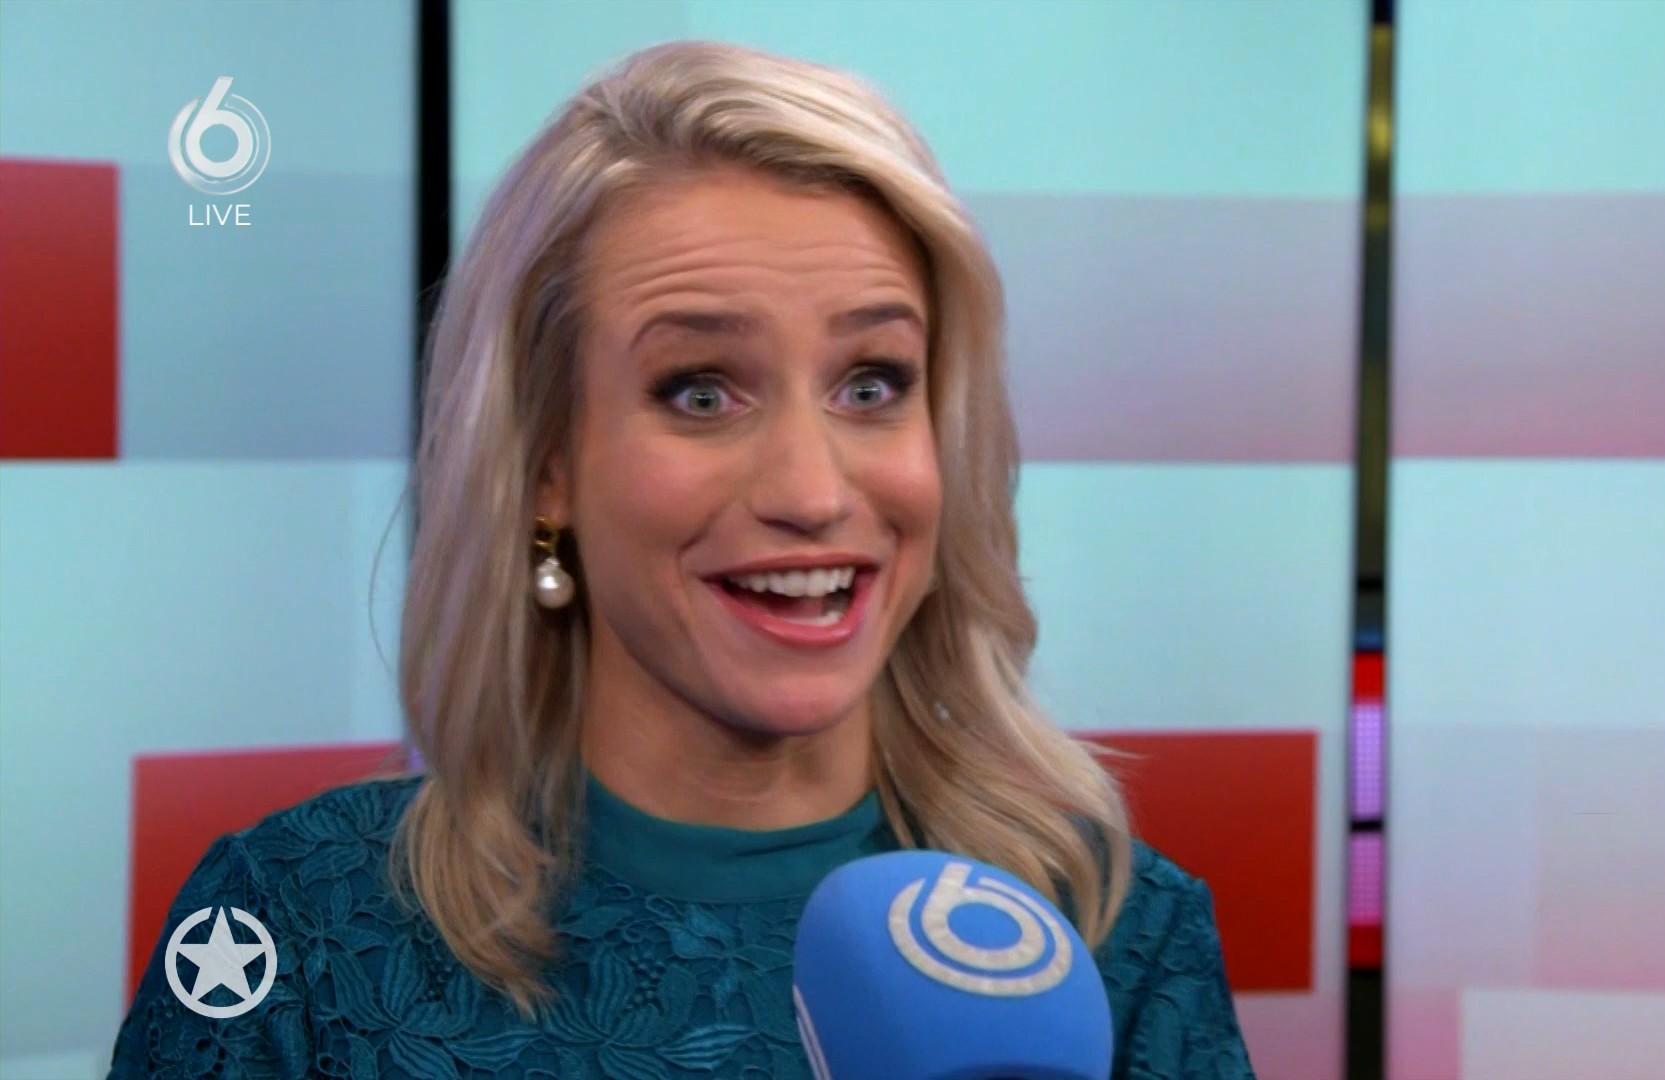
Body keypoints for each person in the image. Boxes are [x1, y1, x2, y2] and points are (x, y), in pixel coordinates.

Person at [111, 39, 1257, 1079]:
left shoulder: (1115, 933)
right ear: (545, 464)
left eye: (872, 385)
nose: (813, 493)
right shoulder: (293, 934)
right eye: (701, 392)